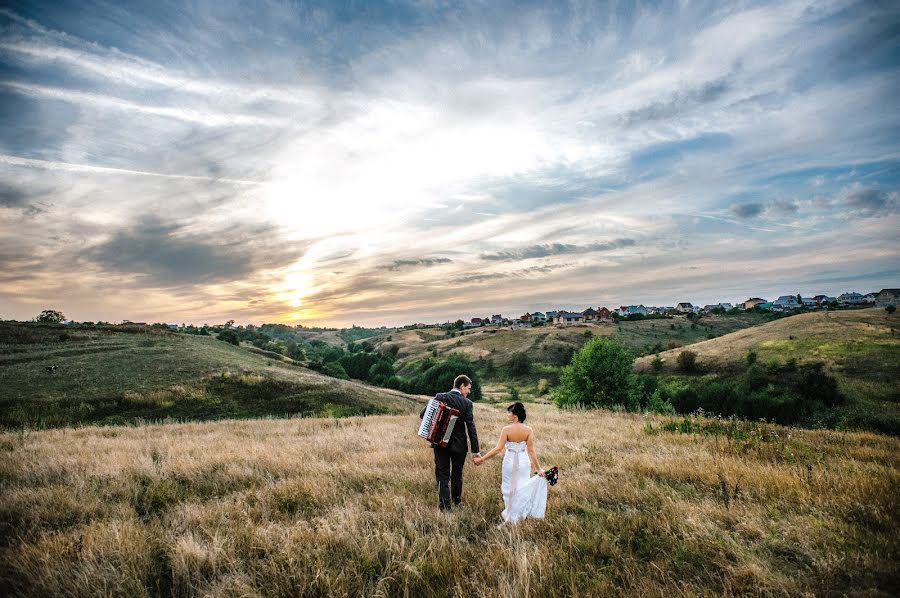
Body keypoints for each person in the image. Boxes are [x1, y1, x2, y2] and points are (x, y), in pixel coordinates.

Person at [473, 402, 547, 523]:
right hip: (523, 461)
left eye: (509, 412)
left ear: (515, 416)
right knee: (522, 486)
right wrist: (538, 469)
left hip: (509, 461)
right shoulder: (528, 430)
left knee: (508, 488)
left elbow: (498, 449)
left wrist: (481, 459)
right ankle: (519, 515)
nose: (507, 414)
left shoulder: (506, 429)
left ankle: (511, 515)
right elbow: (531, 451)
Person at [420, 374, 480, 512]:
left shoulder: (440, 397)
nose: (469, 392)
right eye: (468, 389)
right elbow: (471, 428)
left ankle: (444, 507)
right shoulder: (467, 403)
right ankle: (456, 502)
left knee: (442, 475)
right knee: (457, 474)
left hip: (440, 444)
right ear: (462, 386)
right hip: (459, 446)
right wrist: (475, 451)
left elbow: (423, 414)